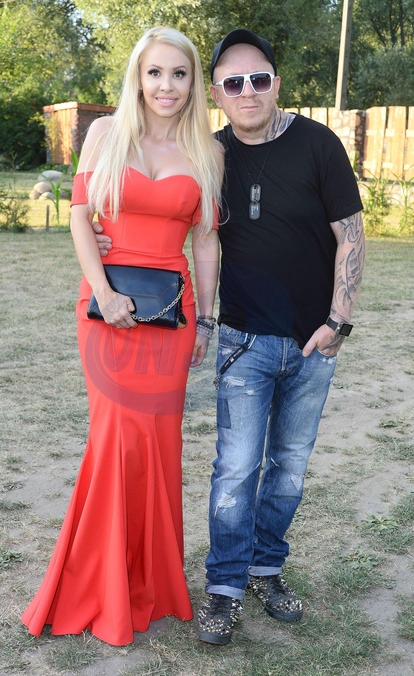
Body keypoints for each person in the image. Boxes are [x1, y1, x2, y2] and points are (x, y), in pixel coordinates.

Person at [92, 28, 366, 646]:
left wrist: (337, 322)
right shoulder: (207, 152)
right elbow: (176, 222)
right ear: (215, 93)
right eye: (233, 82)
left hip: (312, 343)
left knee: (289, 469)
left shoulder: (318, 144)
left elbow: (350, 234)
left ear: (276, 83)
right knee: (236, 470)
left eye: (258, 79)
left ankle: (267, 570)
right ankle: (224, 588)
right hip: (244, 340)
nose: (248, 91)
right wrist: (106, 239)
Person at [21, 26, 222, 647]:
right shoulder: (106, 133)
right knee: (114, 441)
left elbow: (206, 241)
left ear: (193, 83)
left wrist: (207, 318)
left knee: (158, 445)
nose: (167, 85)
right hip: (104, 312)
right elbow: (81, 216)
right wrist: (105, 293)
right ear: (138, 76)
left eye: (179, 74)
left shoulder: (207, 150)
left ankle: (149, 583)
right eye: (155, 72)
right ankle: (97, 584)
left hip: (171, 319)